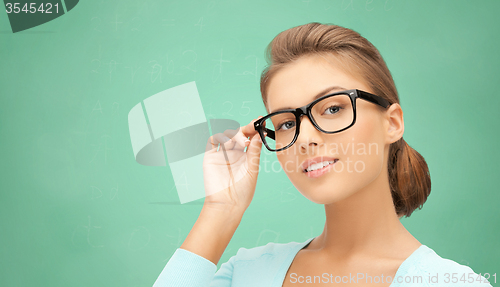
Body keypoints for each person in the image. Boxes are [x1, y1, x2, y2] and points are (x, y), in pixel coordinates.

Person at [153, 22, 492, 286]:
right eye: (286, 124)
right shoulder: (246, 274)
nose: (304, 138)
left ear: (392, 123)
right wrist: (221, 209)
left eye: (332, 109)